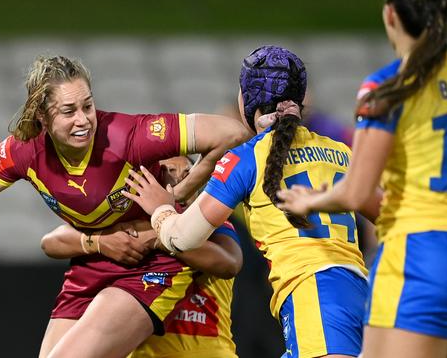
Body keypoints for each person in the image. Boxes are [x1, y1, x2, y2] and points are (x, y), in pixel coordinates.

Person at [0, 55, 257, 358]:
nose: (84, 119)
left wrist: (180, 193)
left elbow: (232, 133)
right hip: (91, 265)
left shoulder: (128, 135)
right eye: (69, 111)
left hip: (151, 264)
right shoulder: (23, 151)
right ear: (42, 117)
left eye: (87, 106)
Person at [124, 46, 372, 358]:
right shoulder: (341, 152)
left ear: (246, 100)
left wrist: (160, 207)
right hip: (359, 294)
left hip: (315, 297)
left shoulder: (246, 159)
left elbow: (182, 238)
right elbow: (386, 213)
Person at [276, 0, 447, 357]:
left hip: (418, 254)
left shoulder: (388, 86)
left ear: (390, 15)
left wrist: (312, 198)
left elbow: (356, 193)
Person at [40, 156, 243, 358]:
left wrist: (162, 235)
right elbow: (50, 242)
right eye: (170, 170)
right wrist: (100, 242)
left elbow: (229, 263)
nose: (181, 179)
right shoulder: (127, 220)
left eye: (188, 172)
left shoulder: (210, 224)